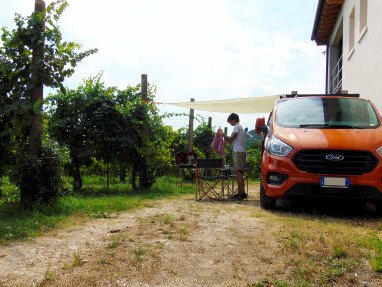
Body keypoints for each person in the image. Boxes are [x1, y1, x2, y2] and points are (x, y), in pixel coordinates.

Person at [223, 113, 247, 200]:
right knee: (238, 172)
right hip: (239, 151)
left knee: (238, 172)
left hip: (239, 152)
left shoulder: (237, 126)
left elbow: (231, 139)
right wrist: (225, 138)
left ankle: (242, 193)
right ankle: (240, 192)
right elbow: (230, 141)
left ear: (233, 120)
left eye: (230, 122)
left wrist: (223, 135)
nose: (230, 124)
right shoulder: (239, 127)